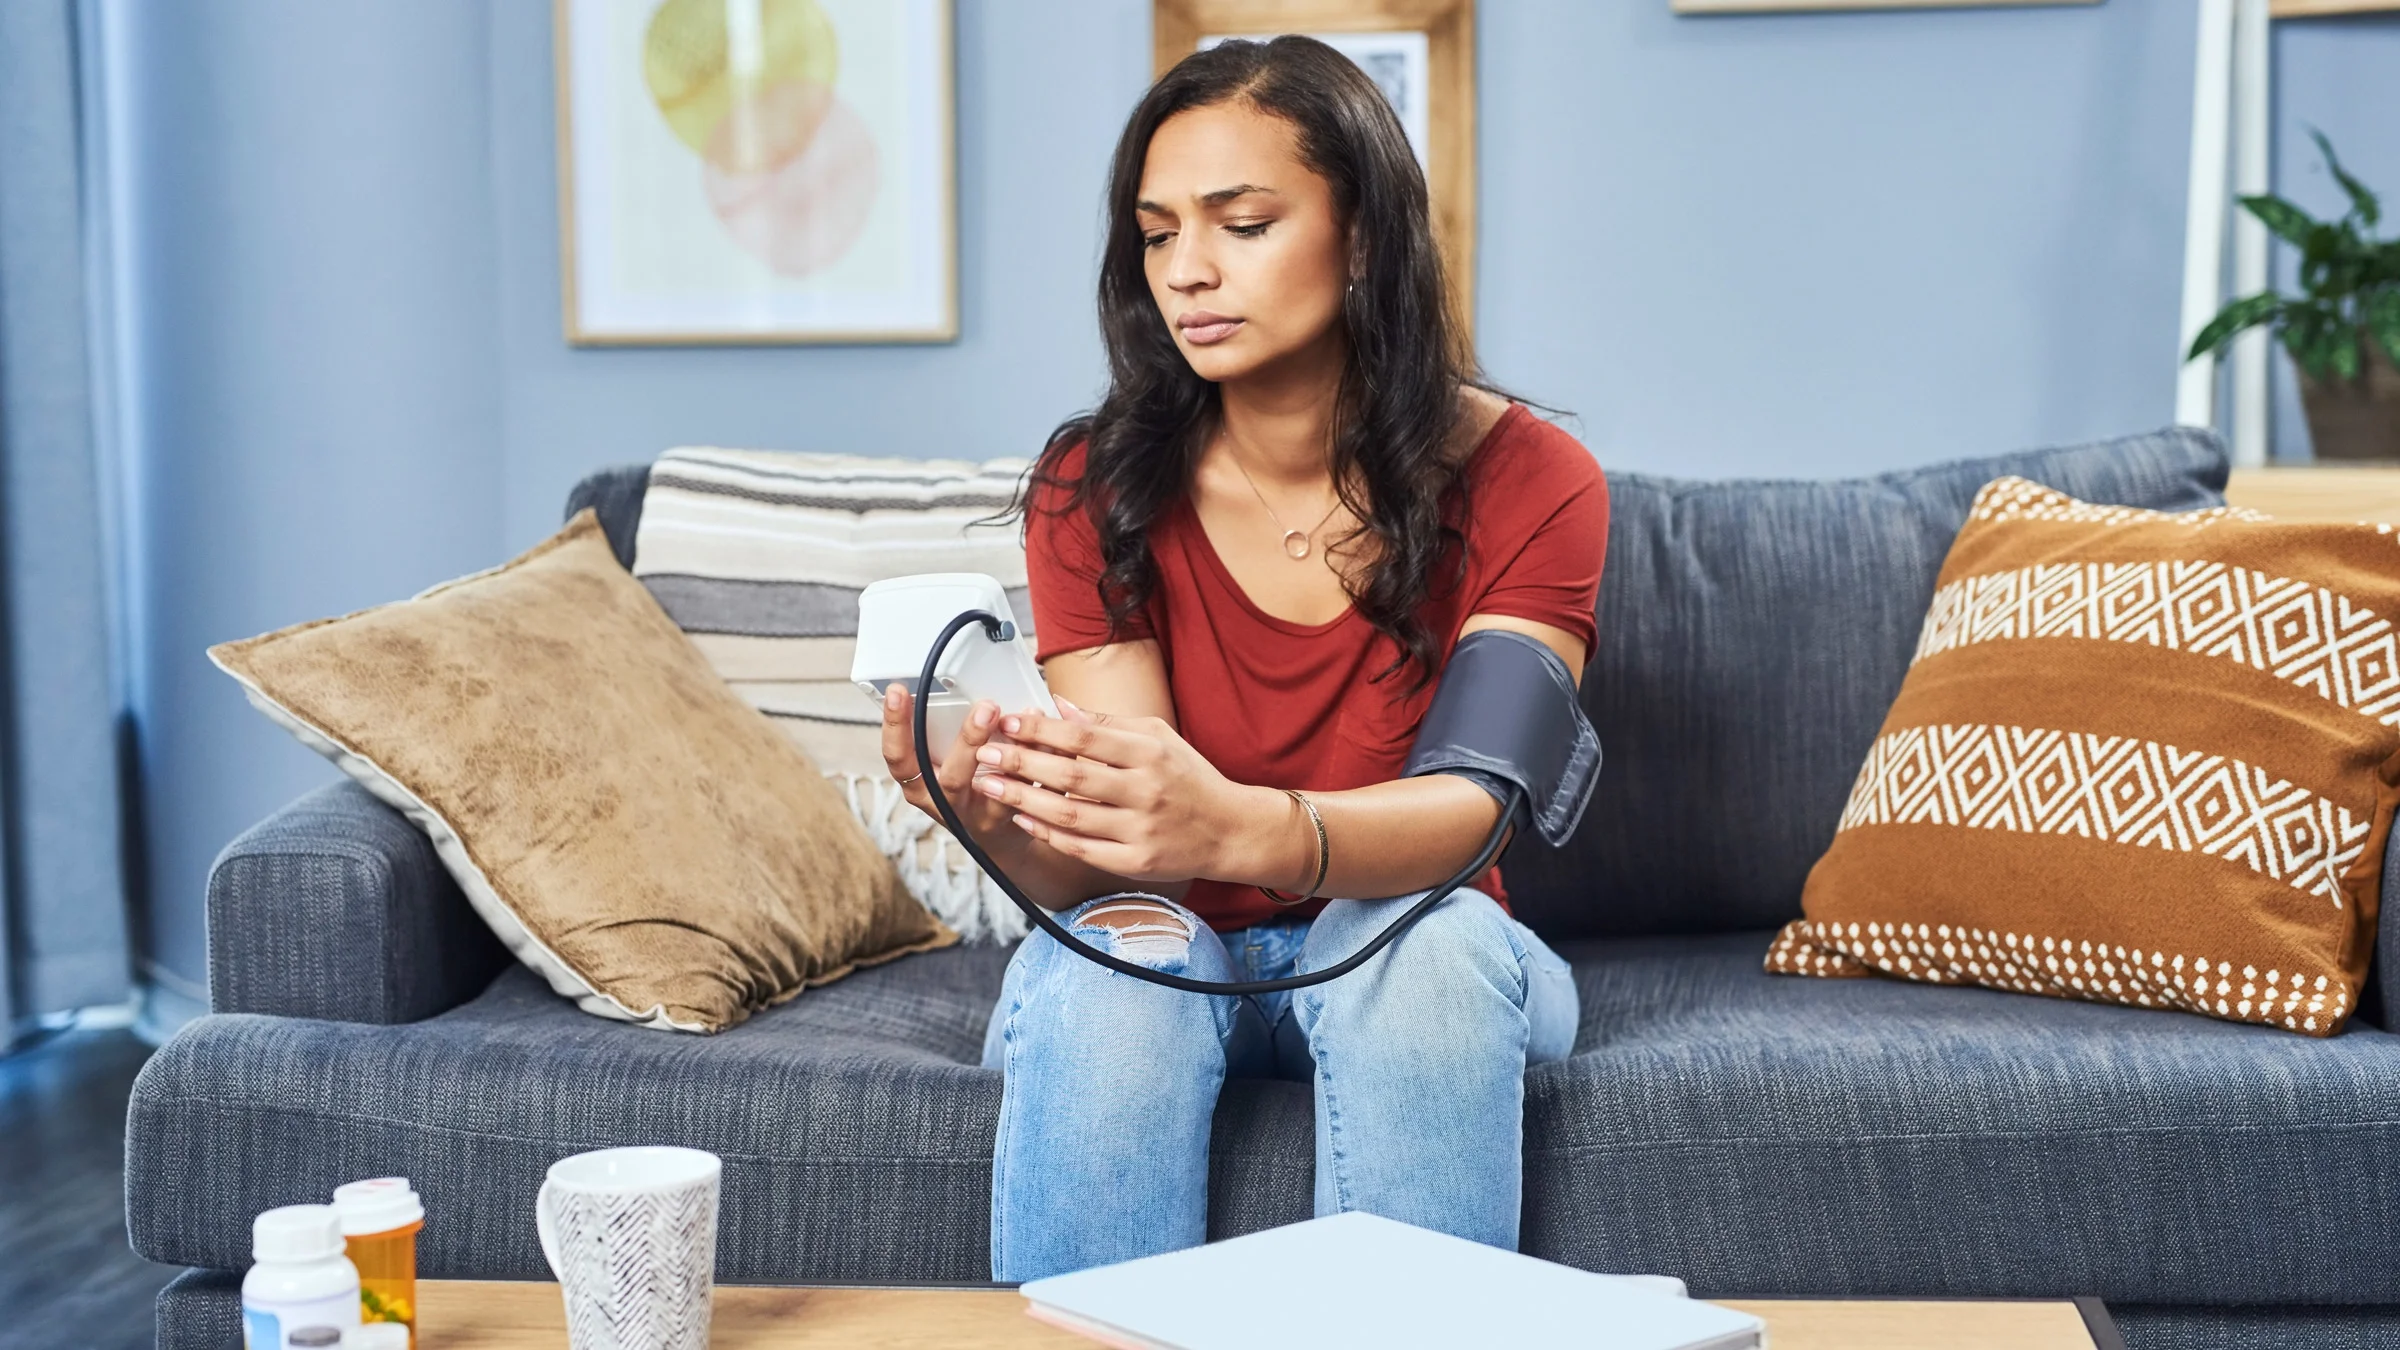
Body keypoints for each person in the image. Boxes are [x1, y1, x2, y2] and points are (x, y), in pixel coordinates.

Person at [877, 35, 1608, 1283]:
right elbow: (1111, 862)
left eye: (1244, 222)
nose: (1189, 272)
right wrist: (988, 810)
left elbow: (1474, 810)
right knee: (1123, 972)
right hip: (1174, 943)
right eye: (1158, 234)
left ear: (1365, 234)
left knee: (1422, 954)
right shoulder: (1092, 485)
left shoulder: (1534, 479)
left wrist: (1243, 833)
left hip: (1411, 934)